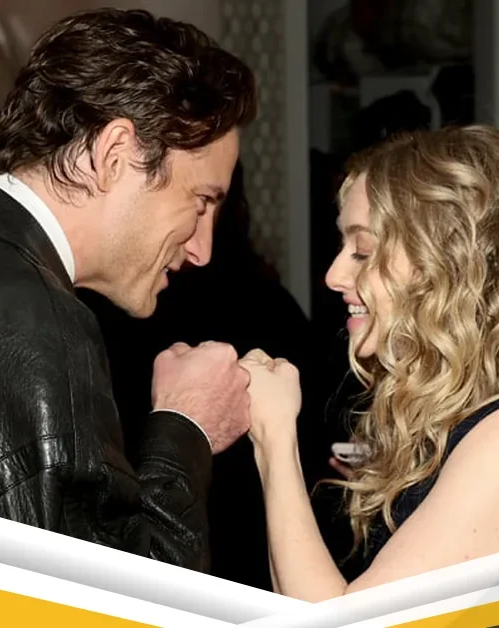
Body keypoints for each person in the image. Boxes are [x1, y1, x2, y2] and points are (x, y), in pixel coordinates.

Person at [0, 8, 257, 572]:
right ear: (115, 155)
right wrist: (186, 428)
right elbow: (118, 604)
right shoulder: (31, 320)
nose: (202, 249)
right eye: (202, 200)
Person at [239, 125, 499, 600]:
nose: (334, 275)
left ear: (450, 264)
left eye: (362, 251)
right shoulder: (463, 415)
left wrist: (274, 438)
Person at [78, 161, 323, 591]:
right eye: (199, 200)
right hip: (197, 547)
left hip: (234, 546)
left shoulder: (264, 304)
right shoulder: (112, 304)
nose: (199, 244)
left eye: (212, 202)